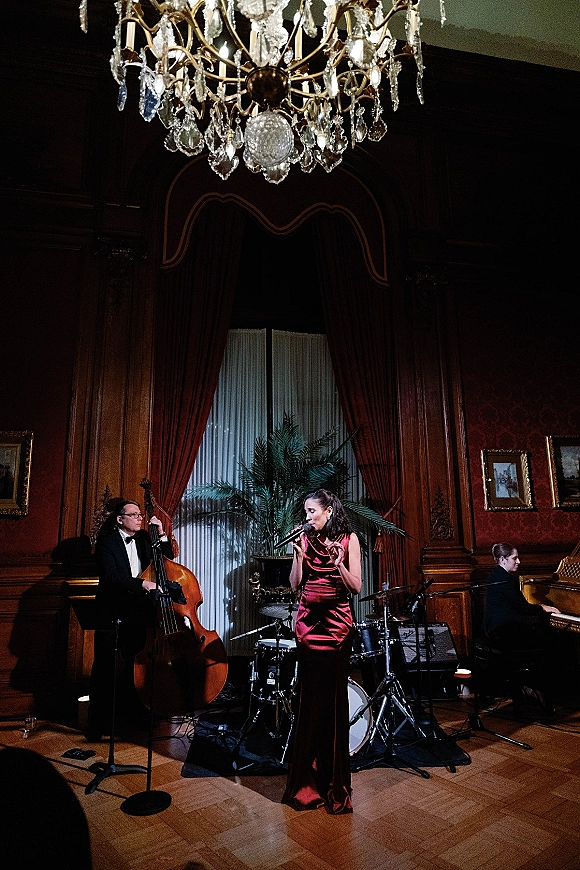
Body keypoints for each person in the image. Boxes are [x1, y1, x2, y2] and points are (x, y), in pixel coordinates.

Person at [282, 489, 361, 814]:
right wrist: (299, 556)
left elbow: (355, 586)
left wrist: (339, 563)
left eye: (312, 510)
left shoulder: (349, 539)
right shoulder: (304, 539)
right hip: (307, 626)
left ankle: (335, 787)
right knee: (308, 701)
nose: (307, 516)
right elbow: (295, 585)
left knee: (333, 702)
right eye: (305, 511)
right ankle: (305, 786)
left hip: (337, 626)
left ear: (329, 511)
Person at [86, 498, 175, 740]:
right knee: (104, 667)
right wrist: (143, 584)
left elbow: (167, 558)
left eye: (140, 515)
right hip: (111, 612)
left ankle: (134, 715)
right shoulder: (107, 542)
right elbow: (111, 577)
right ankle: (97, 724)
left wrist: (161, 534)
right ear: (119, 519)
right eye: (134, 514)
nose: (139, 518)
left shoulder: (146, 537)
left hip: (138, 613)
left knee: (134, 666)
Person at [483, 542, 560, 705]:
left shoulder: (495, 575)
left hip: (494, 628)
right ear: (503, 559)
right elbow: (523, 608)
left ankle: (527, 686)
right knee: (554, 643)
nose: (519, 562)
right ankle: (536, 690)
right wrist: (543, 608)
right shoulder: (505, 579)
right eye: (515, 558)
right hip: (504, 631)